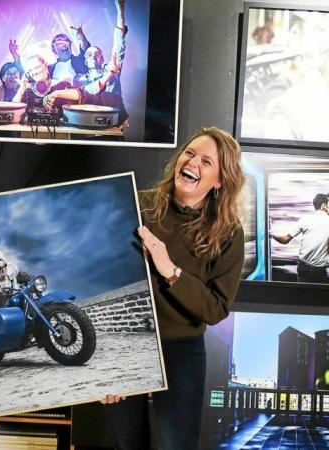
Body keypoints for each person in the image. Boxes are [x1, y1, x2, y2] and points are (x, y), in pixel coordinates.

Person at [102, 127, 245, 450]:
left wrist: (171, 271)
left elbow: (216, 308)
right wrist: (106, 366)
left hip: (182, 350)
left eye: (207, 161)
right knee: (126, 444)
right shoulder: (136, 205)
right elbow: (108, 273)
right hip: (128, 345)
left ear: (220, 181)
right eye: (190, 153)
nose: (192, 162)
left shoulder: (229, 234)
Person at [74, 0, 128, 127]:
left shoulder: (112, 70)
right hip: (86, 127)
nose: (93, 56)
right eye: (89, 55)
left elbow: (119, 46)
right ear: (85, 62)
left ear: (102, 60)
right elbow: (88, 91)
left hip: (113, 126)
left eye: (97, 54)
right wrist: (81, 38)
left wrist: (120, 11)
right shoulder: (79, 78)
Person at [270, 193, 329, 283]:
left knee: (302, 294)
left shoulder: (305, 219)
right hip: (319, 271)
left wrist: (272, 235)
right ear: (323, 205)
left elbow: (285, 240)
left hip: (303, 268)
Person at [13, 54, 82, 110]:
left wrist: (56, 93)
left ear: (45, 64)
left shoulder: (59, 84)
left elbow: (79, 94)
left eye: (36, 67)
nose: (34, 72)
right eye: (30, 71)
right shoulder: (27, 90)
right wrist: (22, 88)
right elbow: (13, 108)